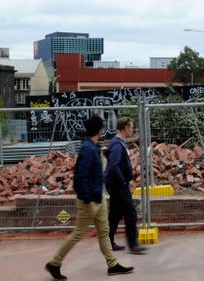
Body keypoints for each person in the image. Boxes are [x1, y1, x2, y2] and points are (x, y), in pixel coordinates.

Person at [45, 115, 134, 280]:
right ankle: (55, 263)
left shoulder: (92, 147)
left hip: (97, 198)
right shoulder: (87, 149)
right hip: (89, 201)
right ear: (99, 130)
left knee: (104, 232)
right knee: (78, 233)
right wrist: (87, 199)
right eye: (102, 127)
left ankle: (112, 264)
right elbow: (79, 177)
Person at [104, 117, 146, 254]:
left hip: (116, 183)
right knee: (130, 213)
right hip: (117, 185)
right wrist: (124, 181)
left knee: (115, 214)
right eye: (131, 127)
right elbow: (113, 166)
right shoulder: (117, 144)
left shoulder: (118, 143)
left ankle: (108, 242)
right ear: (125, 128)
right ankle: (133, 245)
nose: (132, 130)